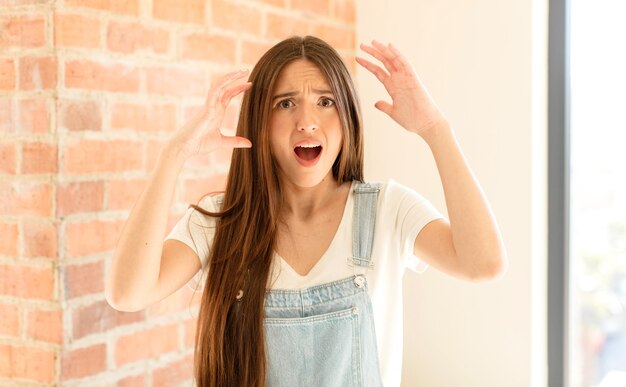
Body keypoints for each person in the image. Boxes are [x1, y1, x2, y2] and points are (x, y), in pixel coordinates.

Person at [106, 36, 507, 387]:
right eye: (285, 103)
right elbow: (127, 292)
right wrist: (174, 154)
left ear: (347, 116)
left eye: (325, 101)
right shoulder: (222, 221)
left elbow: (483, 263)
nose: (306, 122)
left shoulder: (387, 209)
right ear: (260, 121)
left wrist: (435, 128)